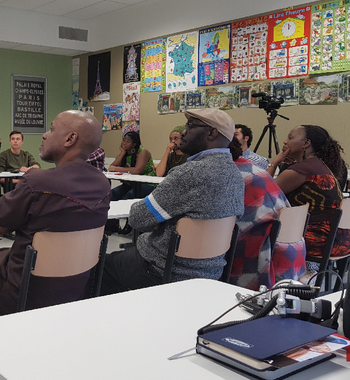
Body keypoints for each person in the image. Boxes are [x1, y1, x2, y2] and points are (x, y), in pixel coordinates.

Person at [0, 110, 111, 380]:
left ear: (69, 138)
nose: (44, 134)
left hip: (24, 290)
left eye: (51, 128)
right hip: (74, 290)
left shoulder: (38, 182)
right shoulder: (102, 184)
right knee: (3, 255)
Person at [100, 109, 244, 294]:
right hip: (211, 272)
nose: (184, 132)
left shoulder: (189, 172)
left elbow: (137, 218)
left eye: (190, 126)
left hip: (164, 268)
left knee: (99, 268)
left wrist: (161, 221)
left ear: (212, 133)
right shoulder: (235, 175)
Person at [267, 125, 350, 278]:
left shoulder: (301, 170)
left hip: (320, 241)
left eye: (290, 137)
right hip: (340, 238)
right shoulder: (318, 165)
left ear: (306, 143)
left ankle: (266, 281)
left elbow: (263, 191)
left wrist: (275, 162)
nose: (285, 142)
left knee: (257, 233)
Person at [227, 138, 302, 291]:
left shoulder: (229, 175)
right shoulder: (256, 169)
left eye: (291, 137)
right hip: (291, 255)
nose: (286, 141)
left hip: (261, 263)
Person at [108, 131, 157, 199]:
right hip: (131, 184)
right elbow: (111, 167)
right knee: (111, 195)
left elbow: (137, 170)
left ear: (134, 144)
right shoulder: (125, 154)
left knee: (127, 197)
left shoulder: (143, 152)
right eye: (123, 140)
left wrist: (116, 169)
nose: (124, 143)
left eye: (127, 142)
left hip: (147, 184)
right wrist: (122, 152)